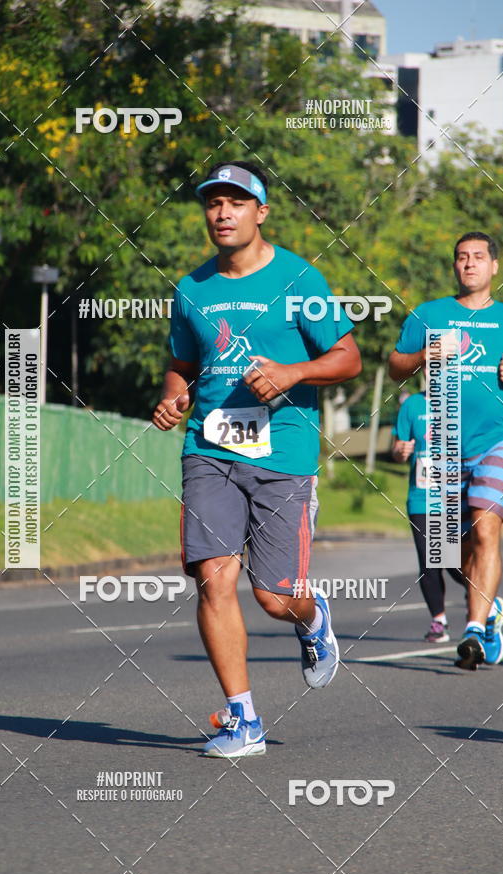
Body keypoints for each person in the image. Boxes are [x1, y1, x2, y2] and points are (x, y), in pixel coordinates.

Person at [152, 161, 361, 756]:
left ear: (261, 211)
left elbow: (348, 358)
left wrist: (296, 371)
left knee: (273, 596)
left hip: (285, 452)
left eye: (236, 203)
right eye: (213, 203)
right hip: (208, 449)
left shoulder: (299, 279)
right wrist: (172, 398)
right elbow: (182, 365)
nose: (222, 213)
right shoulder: (191, 289)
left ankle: (311, 615)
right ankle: (243, 719)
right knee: (212, 579)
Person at [389, 232, 503, 670]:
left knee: (486, 528)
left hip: (499, 437)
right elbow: (396, 363)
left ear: (494, 267)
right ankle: (490, 612)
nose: (468, 264)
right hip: (446, 444)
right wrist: (422, 356)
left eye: (477, 257)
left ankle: (472, 629)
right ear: (454, 266)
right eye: (461, 258)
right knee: (457, 547)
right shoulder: (430, 314)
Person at [392, 390, 466, 642]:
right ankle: (439, 621)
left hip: (456, 496)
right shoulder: (411, 405)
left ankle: (482, 597)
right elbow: (398, 449)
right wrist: (401, 451)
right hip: (421, 498)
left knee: (454, 563)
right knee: (428, 561)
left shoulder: (464, 400)